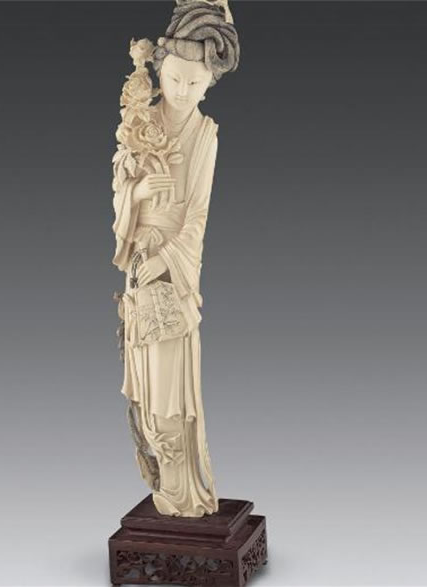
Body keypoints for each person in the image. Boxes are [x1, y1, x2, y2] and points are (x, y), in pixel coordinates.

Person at [111, 0, 240, 517]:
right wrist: (137, 195)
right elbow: (120, 190)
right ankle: (165, 484)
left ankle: (184, 493)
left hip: (171, 273)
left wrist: (165, 258)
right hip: (138, 268)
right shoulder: (139, 122)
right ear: (160, 72)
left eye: (194, 82)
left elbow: (197, 216)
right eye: (175, 79)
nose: (183, 91)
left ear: (208, 85)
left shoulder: (205, 135)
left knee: (169, 392)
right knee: (144, 391)